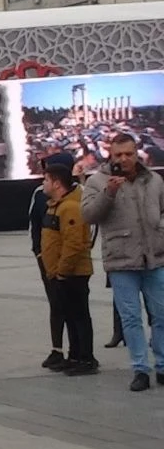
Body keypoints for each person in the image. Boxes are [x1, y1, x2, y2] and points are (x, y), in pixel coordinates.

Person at [81, 132, 164, 393]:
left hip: (155, 257)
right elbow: (88, 215)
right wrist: (109, 193)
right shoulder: (97, 181)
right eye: (119, 155)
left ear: (136, 152)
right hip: (121, 260)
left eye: (129, 154)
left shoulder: (154, 179)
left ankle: (162, 365)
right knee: (131, 319)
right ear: (110, 155)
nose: (125, 159)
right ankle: (140, 369)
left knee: (161, 315)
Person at [40, 165, 97, 376]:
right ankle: (75, 356)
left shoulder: (70, 207)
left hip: (73, 274)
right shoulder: (56, 206)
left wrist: (61, 271)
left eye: (46, 180)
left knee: (79, 316)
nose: (43, 184)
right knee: (70, 316)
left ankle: (86, 358)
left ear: (56, 183)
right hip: (60, 274)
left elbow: (73, 244)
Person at [32, 154, 73, 368]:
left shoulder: (77, 195)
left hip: (71, 262)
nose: (44, 177)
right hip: (47, 262)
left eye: (48, 173)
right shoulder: (39, 195)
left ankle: (79, 352)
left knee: (75, 308)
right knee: (55, 305)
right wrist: (39, 254)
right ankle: (57, 349)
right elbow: (34, 225)